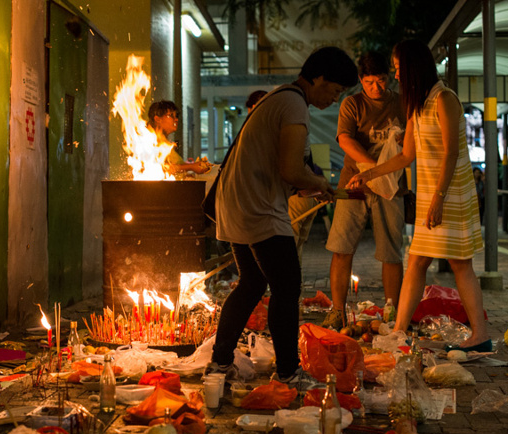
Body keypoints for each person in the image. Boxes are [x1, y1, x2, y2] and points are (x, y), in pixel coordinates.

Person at [209, 46, 358, 384]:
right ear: (317, 78)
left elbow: (285, 168)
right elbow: (291, 169)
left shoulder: (279, 98)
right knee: (287, 286)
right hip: (257, 206)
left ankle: (219, 364)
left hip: (237, 202)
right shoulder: (293, 104)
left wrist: (312, 186)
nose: (334, 100)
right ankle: (289, 371)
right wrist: (320, 182)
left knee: (251, 283)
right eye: (334, 90)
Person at [348, 40, 490, 352]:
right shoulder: (418, 103)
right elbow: (406, 155)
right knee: (417, 261)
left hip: (450, 192)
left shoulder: (444, 98)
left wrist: (439, 197)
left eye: (398, 69)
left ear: (413, 67)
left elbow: (451, 153)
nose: (395, 76)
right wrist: (368, 174)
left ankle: (480, 333)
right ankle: (400, 330)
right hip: (430, 194)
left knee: (459, 263)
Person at [322, 51, 407, 329]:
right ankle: (337, 310)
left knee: (391, 251)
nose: (376, 87)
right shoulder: (352, 104)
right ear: (361, 80)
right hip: (354, 183)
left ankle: (392, 310)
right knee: (341, 247)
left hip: (391, 188)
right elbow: (345, 140)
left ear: (388, 79)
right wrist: (372, 169)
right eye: (369, 82)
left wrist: (383, 173)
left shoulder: (402, 103)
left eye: (381, 80)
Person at [147, 101, 210, 175]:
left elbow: (173, 167)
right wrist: (191, 167)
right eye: (171, 115)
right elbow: (159, 168)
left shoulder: (163, 141)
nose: (176, 119)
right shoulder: (151, 140)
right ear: (157, 119)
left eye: (176, 116)